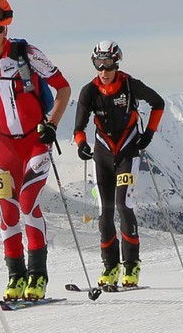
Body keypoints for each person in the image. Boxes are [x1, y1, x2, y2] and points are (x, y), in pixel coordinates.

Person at [0, 0, 71, 302]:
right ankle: (15, 276)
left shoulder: (28, 55)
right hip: (3, 146)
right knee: (7, 212)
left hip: (36, 142)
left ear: (7, 27)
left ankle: (38, 275)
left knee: (27, 203)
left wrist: (52, 123)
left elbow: (63, 88)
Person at [71, 41, 166, 290]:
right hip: (102, 154)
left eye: (108, 64)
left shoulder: (129, 84)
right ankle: (109, 266)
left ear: (117, 62)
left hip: (127, 152)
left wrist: (149, 134)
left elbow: (158, 104)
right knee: (105, 212)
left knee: (124, 205)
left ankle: (131, 265)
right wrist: (81, 144)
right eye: (98, 64)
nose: (103, 70)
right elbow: (78, 128)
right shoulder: (88, 91)